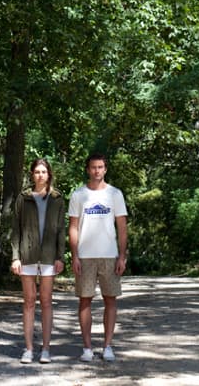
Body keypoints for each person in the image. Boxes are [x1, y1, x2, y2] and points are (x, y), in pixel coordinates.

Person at [68, 152, 128, 362]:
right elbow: (73, 227)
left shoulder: (115, 194)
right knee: (85, 301)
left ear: (105, 169)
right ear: (88, 169)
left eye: (100, 167)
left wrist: (122, 256)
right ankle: (87, 348)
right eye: (93, 167)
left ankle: (108, 346)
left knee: (110, 300)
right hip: (85, 256)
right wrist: (74, 256)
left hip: (109, 255)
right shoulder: (78, 195)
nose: (97, 171)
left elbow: (122, 227)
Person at [11, 158, 65, 364]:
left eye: (44, 172)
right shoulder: (23, 198)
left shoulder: (57, 198)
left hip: (49, 256)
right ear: (32, 174)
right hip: (28, 254)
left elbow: (61, 229)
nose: (40, 175)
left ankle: (46, 349)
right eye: (37, 172)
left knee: (46, 301)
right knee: (29, 301)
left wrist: (60, 256)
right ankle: (28, 349)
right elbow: (15, 229)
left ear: (49, 174)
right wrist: (15, 257)